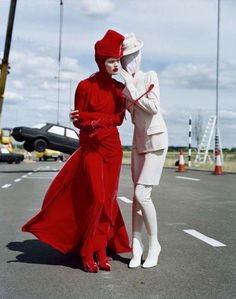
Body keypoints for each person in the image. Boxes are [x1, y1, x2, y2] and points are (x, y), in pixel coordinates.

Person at [22, 29, 131, 273]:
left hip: (113, 149)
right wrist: (96, 119)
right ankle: (86, 250)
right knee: (97, 198)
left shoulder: (118, 89)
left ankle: (101, 250)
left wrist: (93, 118)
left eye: (117, 61)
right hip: (91, 149)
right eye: (111, 61)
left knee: (109, 201)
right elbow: (79, 121)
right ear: (101, 61)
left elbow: (118, 120)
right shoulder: (84, 86)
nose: (115, 65)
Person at [120, 33, 168, 268]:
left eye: (132, 56)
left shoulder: (150, 75)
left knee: (142, 194)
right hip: (138, 143)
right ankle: (135, 247)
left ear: (139, 55)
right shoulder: (123, 87)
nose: (128, 62)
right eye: (124, 58)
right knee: (135, 200)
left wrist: (131, 91)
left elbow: (154, 106)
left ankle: (154, 244)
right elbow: (125, 118)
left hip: (156, 140)